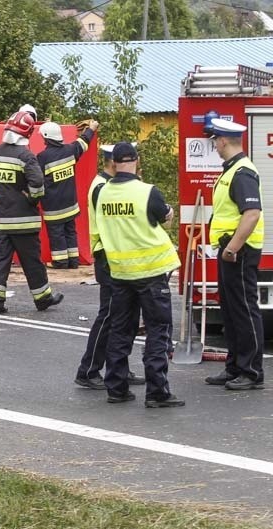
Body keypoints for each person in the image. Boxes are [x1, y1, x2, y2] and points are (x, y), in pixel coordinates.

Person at [94, 142, 183, 407]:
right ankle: (157, 392)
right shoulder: (147, 192)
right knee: (158, 330)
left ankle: (116, 388)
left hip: (120, 272)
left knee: (120, 330)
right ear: (136, 161)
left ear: (113, 163)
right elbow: (165, 218)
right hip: (152, 272)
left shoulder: (102, 193)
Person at [0, 110, 64, 314]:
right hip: (24, 223)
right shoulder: (26, 156)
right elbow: (37, 183)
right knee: (32, 262)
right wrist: (32, 198)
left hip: (1, 221)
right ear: (27, 133)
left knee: (0, 262)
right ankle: (43, 298)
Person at [74, 144, 144, 390]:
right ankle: (89, 370)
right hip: (107, 257)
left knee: (124, 317)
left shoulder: (106, 184)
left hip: (117, 257)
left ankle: (119, 369)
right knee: (110, 316)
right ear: (113, 163)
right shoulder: (103, 187)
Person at [204, 119, 265, 390]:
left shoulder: (242, 172)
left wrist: (232, 248)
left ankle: (251, 372)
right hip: (230, 250)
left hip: (238, 251)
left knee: (243, 311)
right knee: (230, 311)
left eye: (215, 140)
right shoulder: (231, 170)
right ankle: (234, 367)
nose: (215, 145)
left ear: (223, 141)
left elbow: (251, 214)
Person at [37, 119, 98, 269]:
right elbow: (84, 142)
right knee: (70, 232)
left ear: (46, 137)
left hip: (54, 207)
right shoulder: (70, 150)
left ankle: (60, 262)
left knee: (57, 234)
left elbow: (35, 179)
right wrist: (91, 129)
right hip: (71, 203)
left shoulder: (43, 157)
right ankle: (73, 261)